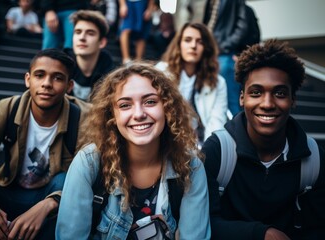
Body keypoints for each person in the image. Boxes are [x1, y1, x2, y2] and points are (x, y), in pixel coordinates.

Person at [56, 62, 211, 239]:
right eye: (125, 105)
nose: (138, 114)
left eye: (150, 101)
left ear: (167, 108)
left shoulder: (191, 167)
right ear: (111, 116)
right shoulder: (89, 163)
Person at [202, 39, 325, 239]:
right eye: (256, 92)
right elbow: (203, 222)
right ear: (242, 98)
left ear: (293, 99)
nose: (267, 104)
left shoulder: (314, 159)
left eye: (279, 93)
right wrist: (260, 234)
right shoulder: (217, 151)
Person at [0, 49, 91, 240]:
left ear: (69, 86)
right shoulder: (7, 108)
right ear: (27, 79)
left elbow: (91, 173)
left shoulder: (84, 117)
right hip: (9, 190)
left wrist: (49, 204)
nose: (46, 84)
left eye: (57, 78)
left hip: (53, 198)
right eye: (39, 75)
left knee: (67, 178)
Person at [156, 22, 227, 143]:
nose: (193, 46)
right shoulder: (161, 72)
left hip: (201, 144)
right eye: (188, 40)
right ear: (179, 44)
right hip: (167, 142)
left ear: (206, 48)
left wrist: (206, 153)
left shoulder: (218, 83)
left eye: (200, 42)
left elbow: (216, 124)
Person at [203, 0, 249, 117]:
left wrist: (224, 46)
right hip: (210, 54)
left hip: (225, 54)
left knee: (232, 101)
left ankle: (240, 133)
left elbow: (243, 26)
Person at [64, 10, 114, 101]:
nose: (82, 38)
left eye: (90, 33)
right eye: (78, 32)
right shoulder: (62, 65)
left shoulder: (110, 75)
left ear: (102, 42)